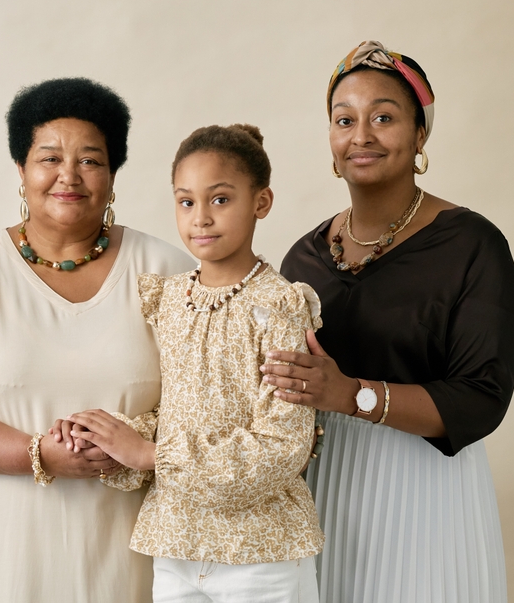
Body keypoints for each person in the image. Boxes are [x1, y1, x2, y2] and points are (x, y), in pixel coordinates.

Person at [0, 77, 194, 602]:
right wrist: (37, 454)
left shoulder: (169, 273)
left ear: (114, 173)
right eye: (49, 157)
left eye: (91, 160)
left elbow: (212, 406)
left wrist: (135, 442)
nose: (68, 176)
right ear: (21, 170)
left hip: (132, 556)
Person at [262, 41, 514, 603]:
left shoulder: (472, 245)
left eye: (384, 116)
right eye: (344, 120)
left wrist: (352, 394)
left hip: (426, 494)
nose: (362, 135)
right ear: (331, 142)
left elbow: (482, 397)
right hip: (319, 491)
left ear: (419, 136)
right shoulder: (303, 257)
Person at [68, 124, 324, 603]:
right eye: (186, 202)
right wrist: (113, 437)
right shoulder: (171, 300)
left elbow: (284, 445)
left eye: (220, 200)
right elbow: (182, 414)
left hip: (260, 556)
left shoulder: (280, 305)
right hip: (177, 548)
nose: (201, 218)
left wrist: (150, 455)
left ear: (261, 203)